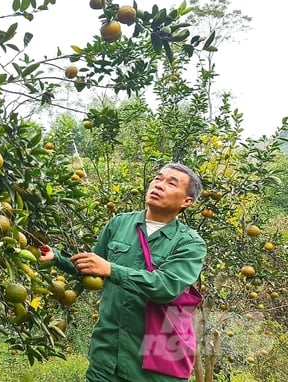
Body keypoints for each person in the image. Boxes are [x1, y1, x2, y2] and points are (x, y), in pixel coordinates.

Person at [39, 162, 207, 382]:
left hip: (156, 366)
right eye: (157, 178)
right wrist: (56, 257)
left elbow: (166, 287)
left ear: (187, 201)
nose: (159, 185)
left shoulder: (190, 243)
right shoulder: (119, 224)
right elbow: (93, 269)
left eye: (171, 183)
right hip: (107, 358)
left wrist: (111, 269)